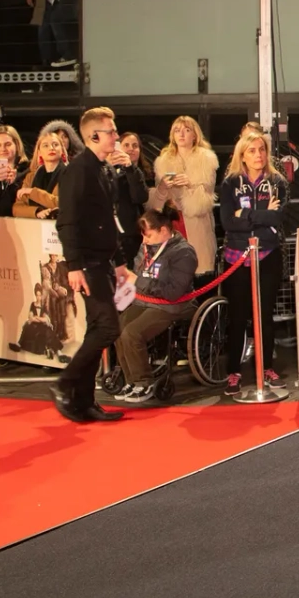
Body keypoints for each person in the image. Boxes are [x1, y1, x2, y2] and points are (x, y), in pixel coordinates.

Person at [51, 107, 125, 423]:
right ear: (94, 135)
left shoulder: (102, 169)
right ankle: (65, 383)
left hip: (103, 261)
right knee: (107, 327)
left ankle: (83, 401)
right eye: (111, 131)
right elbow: (67, 222)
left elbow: (109, 219)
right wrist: (74, 266)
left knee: (99, 329)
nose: (116, 136)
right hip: (88, 263)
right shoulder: (78, 170)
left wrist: (119, 261)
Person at [216, 131, 292, 390]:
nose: (258, 155)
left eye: (261, 149)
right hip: (236, 257)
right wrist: (260, 214)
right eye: (252, 150)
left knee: (265, 316)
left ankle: (266, 367)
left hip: (267, 255)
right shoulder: (229, 184)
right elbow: (227, 222)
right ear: (242, 155)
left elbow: (277, 218)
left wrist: (245, 214)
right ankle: (234, 371)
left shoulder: (277, 182)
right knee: (237, 317)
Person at [110, 203, 200, 404]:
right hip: (145, 301)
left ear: (164, 231)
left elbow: (173, 292)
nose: (144, 240)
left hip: (172, 305)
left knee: (132, 333)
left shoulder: (184, 253)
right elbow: (138, 274)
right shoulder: (146, 248)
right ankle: (132, 379)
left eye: (148, 235)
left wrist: (139, 281)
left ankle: (144, 382)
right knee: (117, 329)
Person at [150, 116, 219, 282]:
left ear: (195, 135)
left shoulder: (206, 159)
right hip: (172, 223)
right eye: (177, 130)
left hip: (197, 224)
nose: (181, 134)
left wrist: (190, 185)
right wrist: (163, 187)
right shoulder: (163, 161)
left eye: (187, 130)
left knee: (200, 277)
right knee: (173, 278)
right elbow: (156, 206)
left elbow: (205, 201)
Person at [108, 130, 150, 266]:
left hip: (134, 234)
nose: (131, 149)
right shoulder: (110, 170)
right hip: (112, 233)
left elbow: (140, 197)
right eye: (126, 145)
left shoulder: (144, 173)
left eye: (135, 146)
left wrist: (130, 168)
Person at [13, 126, 67, 219]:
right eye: (45, 145)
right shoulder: (31, 176)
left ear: (62, 150)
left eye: (55, 144)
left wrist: (33, 192)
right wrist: (37, 212)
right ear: (39, 152)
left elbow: (64, 203)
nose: (51, 148)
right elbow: (17, 208)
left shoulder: (70, 174)